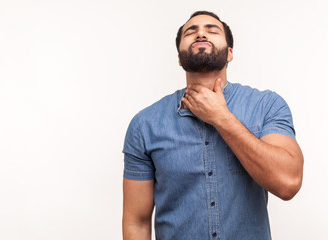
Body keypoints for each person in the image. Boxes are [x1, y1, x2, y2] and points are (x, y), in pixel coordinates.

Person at [122, 10, 304, 240]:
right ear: (179, 57)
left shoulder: (267, 106)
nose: (200, 34)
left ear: (229, 54)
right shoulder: (144, 125)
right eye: (191, 31)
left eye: (212, 30)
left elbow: (288, 183)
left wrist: (221, 117)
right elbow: (136, 223)